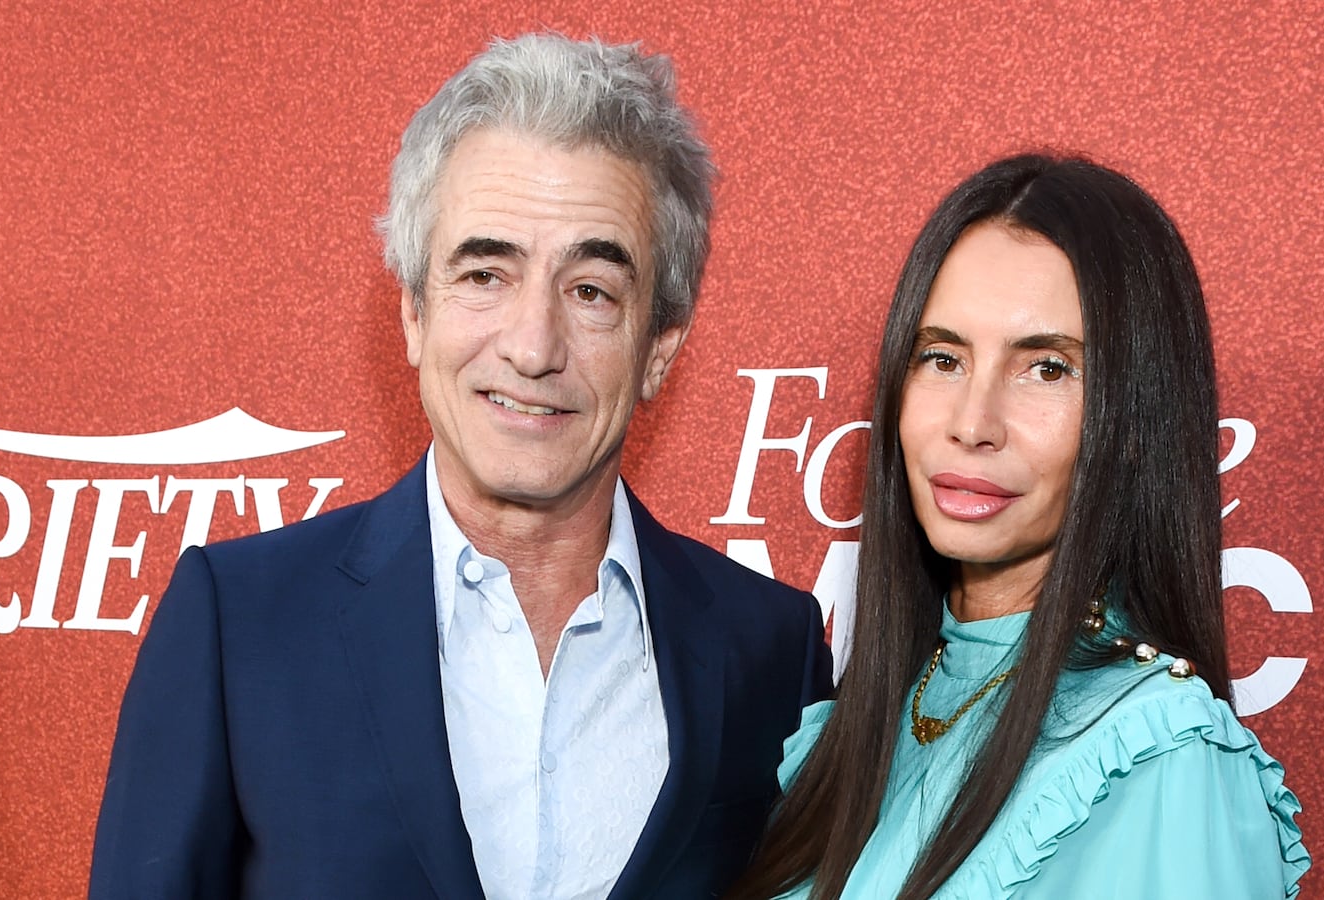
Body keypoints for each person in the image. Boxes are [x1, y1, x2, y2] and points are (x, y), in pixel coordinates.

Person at [90, 33, 831, 900]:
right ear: (413, 311)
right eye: (485, 274)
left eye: (591, 290)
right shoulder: (239, 623)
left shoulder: (770, 652)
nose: (531, 346)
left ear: (660, 347)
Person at [730, 155, 1308, 899]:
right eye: (942, 357)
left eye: (1048, 369)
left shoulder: (1164, 760)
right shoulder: (849, 733)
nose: (972, 423)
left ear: (1137, 422)